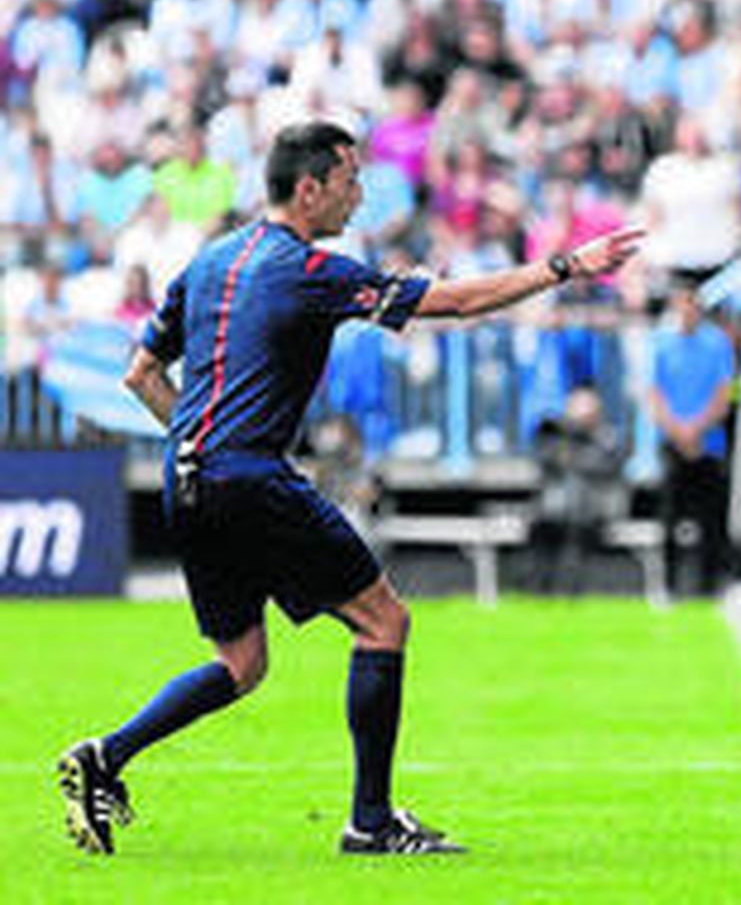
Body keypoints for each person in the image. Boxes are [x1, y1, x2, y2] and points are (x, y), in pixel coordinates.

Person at [57, 121, 642, 856]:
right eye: (348, 181)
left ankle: (103, 757)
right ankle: (370, 820)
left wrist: (195, 446)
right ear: (309, 189)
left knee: (241, 663)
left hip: (189, 480)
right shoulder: (310, 269)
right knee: (382, 620)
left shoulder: (207, 262)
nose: (358, 195)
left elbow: (140, 373)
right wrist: (562, 266)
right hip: (249, 475)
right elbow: (454, 303)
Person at [649, 277, 737, 595]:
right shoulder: (660, 341)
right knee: (669, 517)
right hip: (673, 442)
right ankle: (668, 585)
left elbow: (724, 394)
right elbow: (654, 394)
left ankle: (708, 585)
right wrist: (678, 431)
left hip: (708, 444)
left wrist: (696, 429)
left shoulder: (717, 343)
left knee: (711, 518)